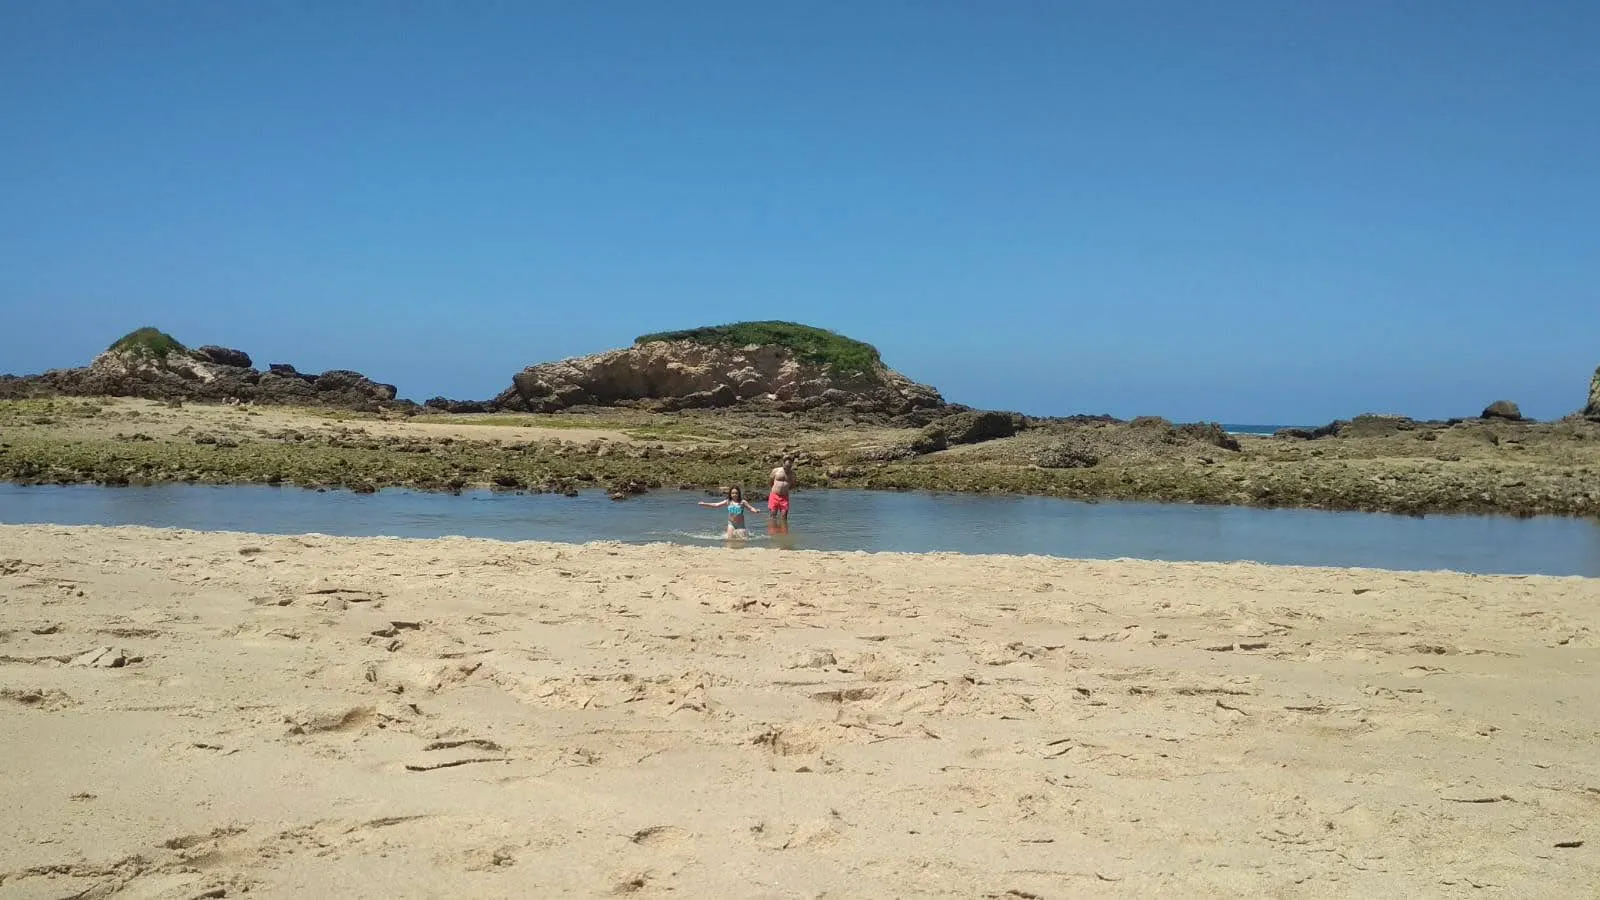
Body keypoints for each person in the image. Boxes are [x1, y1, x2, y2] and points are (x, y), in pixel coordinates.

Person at [767, 456, 795, 524]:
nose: (787, 468)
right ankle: (773, 531)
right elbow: (770, 481)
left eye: (789, 466)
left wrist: (785, 489)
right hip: (774, 495)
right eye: (786, 466)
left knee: (784, 515)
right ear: (783, 464)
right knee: (773, 514)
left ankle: (783, 532)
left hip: (784, 497)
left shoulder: (792, 474)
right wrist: (775, 489)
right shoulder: (776, 470)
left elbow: (793, 485)